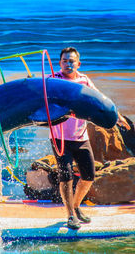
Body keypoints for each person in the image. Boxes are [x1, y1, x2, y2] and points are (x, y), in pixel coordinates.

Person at [49, 47, 130, 230]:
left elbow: (100, 101)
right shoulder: (54, 80)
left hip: (80, 136)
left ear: (78, 63)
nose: (68, 64)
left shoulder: (84, 80)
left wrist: (117, 116)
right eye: (64, 61)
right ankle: (70, 215)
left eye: (71, 61)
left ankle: (76, 207)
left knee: (88, 176)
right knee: (66, 177)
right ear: (60, 63)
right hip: (59, 138)